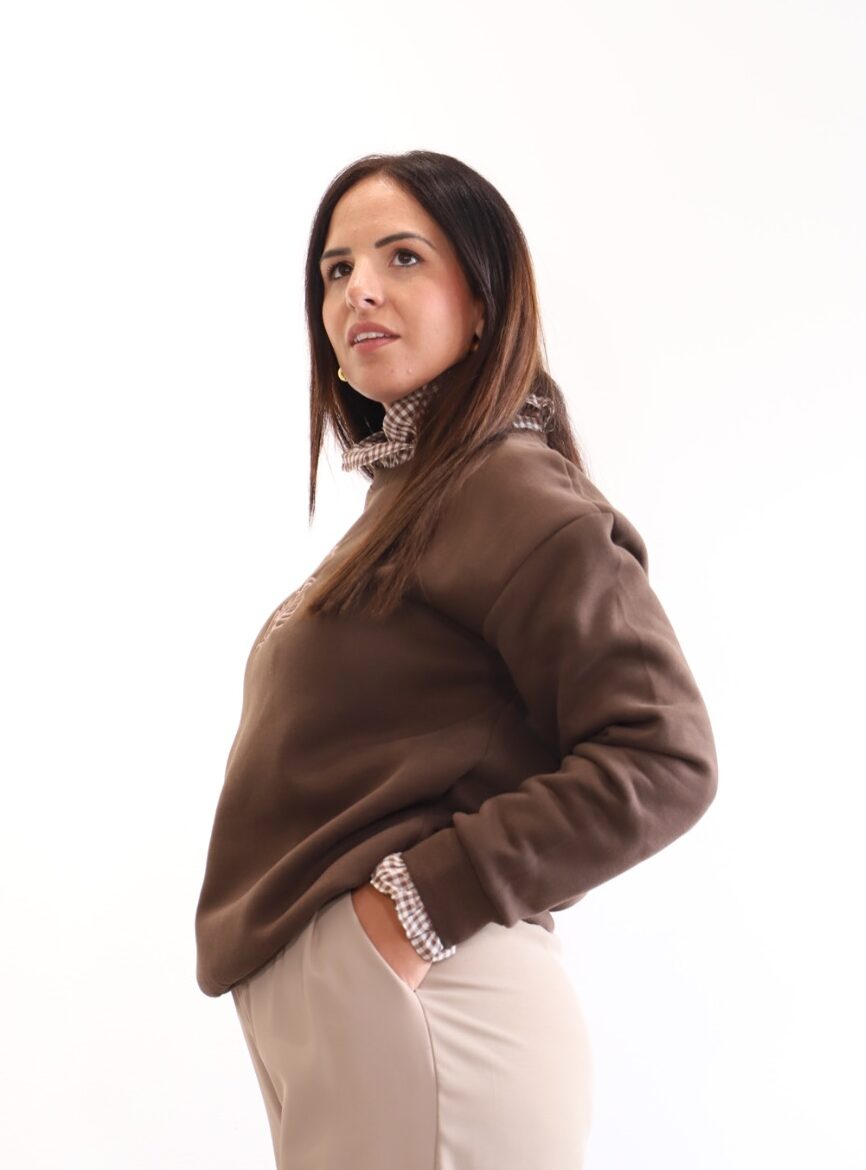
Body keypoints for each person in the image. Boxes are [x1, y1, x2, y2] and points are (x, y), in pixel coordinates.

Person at [193, 149, 719, 1170]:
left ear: (482, 304)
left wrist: (413, 908)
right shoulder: (416, 502)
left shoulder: (503, 488)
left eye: (402, 257)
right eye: (336, 269)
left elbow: (665, 757)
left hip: (431, 1005)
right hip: (362, 1008)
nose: (359, 291)